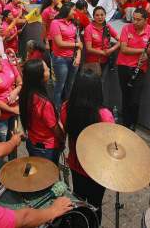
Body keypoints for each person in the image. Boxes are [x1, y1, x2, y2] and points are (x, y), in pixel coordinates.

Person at [60, 70, 113, 223]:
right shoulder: (104, 115)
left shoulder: (66, 108)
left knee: (80, 201)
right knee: (95, 205)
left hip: (76, 165)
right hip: (97, 171)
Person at [116, 8, 150, 130]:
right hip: (123, 66)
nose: (135, 22)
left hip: (139, 68)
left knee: (135, 99)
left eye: (138, 19)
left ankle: (133, 124)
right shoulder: (126, 28)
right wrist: (143, 50)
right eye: (134, 19)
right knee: (125, 96)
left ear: (146, 20)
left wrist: (149, 54)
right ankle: (125, 124)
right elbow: (124, 49)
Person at [18, 59, 64, 163]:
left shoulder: (26, 93)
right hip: (46, 148)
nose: (48, 69)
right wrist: (62, 139)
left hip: (33, 142)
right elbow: (55, 128)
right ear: (39, 76)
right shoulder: (44, 103)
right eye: (46, 69)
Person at [47, 2, 82, 109]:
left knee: (70, 85)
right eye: (73, 10)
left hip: (73, 59)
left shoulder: (74, 24)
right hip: (60, 59)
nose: (75, 12)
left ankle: (67, 108)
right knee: (60, 86)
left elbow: (79, 42)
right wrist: (76, 45)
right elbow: (59, 43)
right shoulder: (55, 23)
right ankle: (56, 110)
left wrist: (78, 57)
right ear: (67, 10)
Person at [83, 6, 120, 76]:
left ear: (105, 15)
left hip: (105, 60)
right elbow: (89, 48)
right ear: (93, 17)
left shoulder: (107, 27)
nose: (100, 17)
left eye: (102, 15)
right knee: (94, 83)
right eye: (97, 15)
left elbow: (121, 40)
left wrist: (111, 49)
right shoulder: (89, 29)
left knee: (102, 82)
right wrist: (103, 52)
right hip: (93, 61)